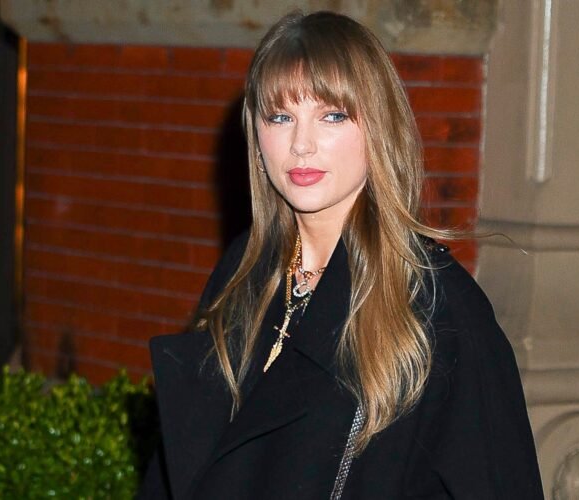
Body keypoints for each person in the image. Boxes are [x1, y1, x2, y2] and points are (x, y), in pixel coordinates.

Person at [140, 10, 543, 499]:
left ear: (378, 128)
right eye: (281, 117)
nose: (301, 145)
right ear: (257, 136)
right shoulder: (246, 271)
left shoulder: (439, 307)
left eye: (332, 116)